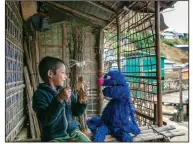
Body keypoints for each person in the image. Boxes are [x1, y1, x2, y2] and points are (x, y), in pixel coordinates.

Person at [32, 56, 91, 142]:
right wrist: (59, 99)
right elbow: (44, 120)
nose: (65, 76)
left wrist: (83, 99)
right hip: (54, 137)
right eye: (63, 73)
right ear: (50, 74)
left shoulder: (65, 91)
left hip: (73, 132)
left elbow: (77, 112)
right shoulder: (40, 95)